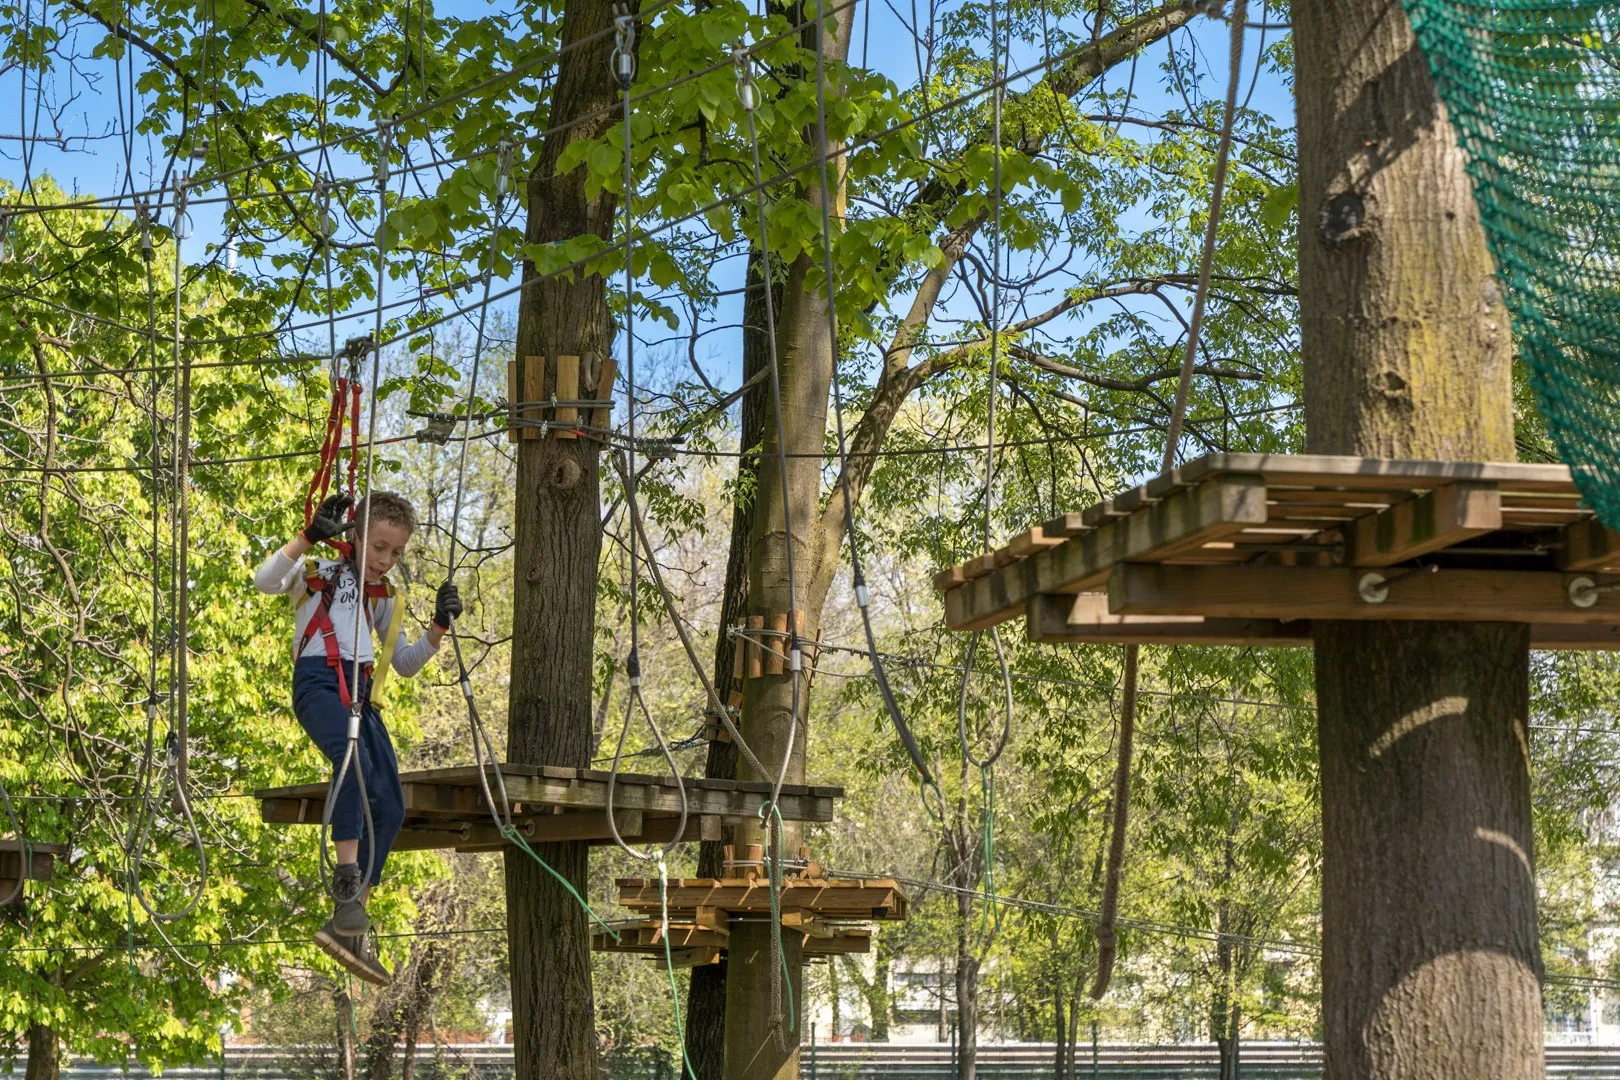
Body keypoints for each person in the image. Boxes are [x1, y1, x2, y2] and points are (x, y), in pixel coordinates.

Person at [254, 490, 461, 987]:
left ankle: (351, 922)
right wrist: (309, 537)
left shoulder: (384, 599)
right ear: (354, 537)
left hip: (361, 695)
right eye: (378, 547)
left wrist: (437, 628)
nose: (385, 561)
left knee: (389, 802)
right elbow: (264, 582)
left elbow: (404, 665)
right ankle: (345, 879)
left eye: (395, 553)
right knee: (352, 766)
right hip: (319, 683)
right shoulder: (319, 571)